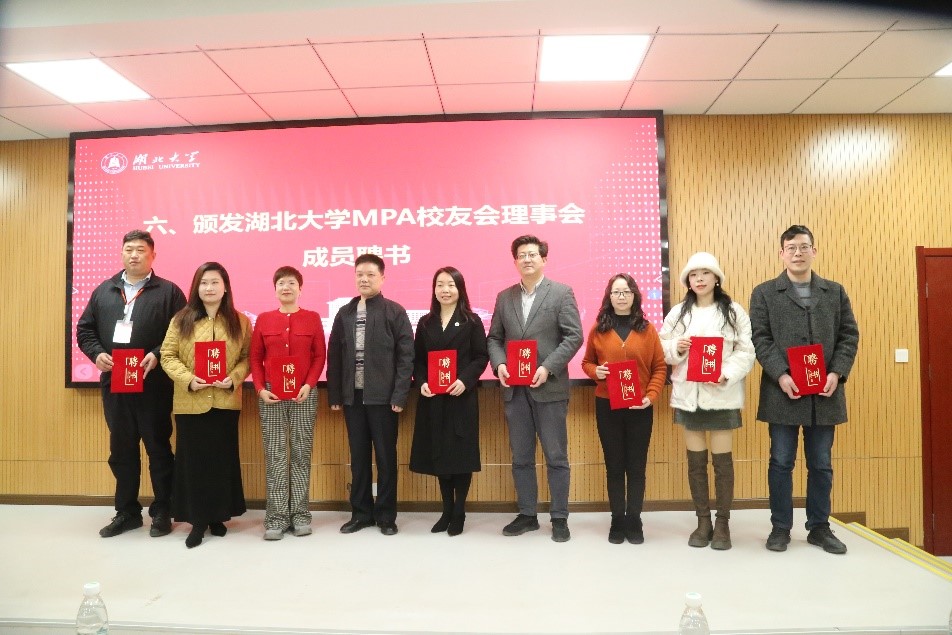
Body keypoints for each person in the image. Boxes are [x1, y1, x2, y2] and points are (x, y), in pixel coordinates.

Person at [749, 225, 859, 555]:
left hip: (824, 394)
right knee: (781, 462)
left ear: (814, 251)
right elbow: (760, 338)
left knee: (821, 464)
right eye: (791, 248)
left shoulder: (834, 292)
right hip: (782, 392)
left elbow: (849, 335)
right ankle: (780, 527)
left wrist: (837, 372)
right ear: (781, 253)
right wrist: (781, 374)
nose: (798, 253)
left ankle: (819, 527)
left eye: (804, 247)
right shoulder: (765, 293)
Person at [76, 229, 187, 539]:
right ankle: (127, 512)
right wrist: (96, 353)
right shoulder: (104, 290)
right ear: (122, 253)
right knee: (122, 449)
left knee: (158, 447)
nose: (134, 255)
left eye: (140, 250)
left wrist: (157, 353)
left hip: (154, 383)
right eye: (129, 249)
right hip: (115, 383)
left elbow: (182, 333)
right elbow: (85, 330)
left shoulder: (169, 292)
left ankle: (163, 509)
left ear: (153, 255)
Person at [487, 235, 584, 542]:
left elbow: (574, 336)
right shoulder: (504, 297)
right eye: (521, 255)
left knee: (556, 456)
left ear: (544, 259)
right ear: (515, 261)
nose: (527, 259)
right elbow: (494, 338)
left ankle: (559, 517)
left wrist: (547, 367)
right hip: (515, 391)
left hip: (549, 387)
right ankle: (528, 514)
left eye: (532, 254)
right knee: (521, 456)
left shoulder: (561, 293)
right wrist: (500, 365)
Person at [660, 252, 755, 551]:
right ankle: (703, 521)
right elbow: (661, 346)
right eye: (693, 274)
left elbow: (746, 351)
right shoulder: (678, 313)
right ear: (687, 280)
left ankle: (723, 523)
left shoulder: (733, 311)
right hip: (689, 397)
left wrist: (726, 374)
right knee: (696, 463)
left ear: (717, 278)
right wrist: (676, 347)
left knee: (722, 464)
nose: (699, 279)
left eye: (705, 273)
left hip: (722, 396)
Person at [160, 262, 251, 548]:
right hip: (191, 402)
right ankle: (198, 520)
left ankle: (217, 516)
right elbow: (167, 356)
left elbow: (247, 358)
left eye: (214, 282)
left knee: (221, 462)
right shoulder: (181, 319)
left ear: (225, 287)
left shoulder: (240, 321)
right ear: (196, 287)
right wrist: (188, 379)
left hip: (225, 401)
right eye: (204, 283)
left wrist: (233, 378)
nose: (209, 288)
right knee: (194, 463)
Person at [327, 253, 414, 536]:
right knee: (359, 458)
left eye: (370, 275)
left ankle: (386, 516)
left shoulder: (394, 311)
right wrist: (336, 395)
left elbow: (406, 356)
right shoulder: (345, 313)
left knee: (386, 459)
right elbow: (335, 354)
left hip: (384, 399)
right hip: (353, 398)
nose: (364, 279)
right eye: (359, 274)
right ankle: (361, 513)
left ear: (382, 278)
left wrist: (399, 395)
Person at [581, 274, 666, 545]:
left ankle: (635, 519)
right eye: (616, 292)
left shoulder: (647, 329)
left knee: (636, 467)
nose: (621, 296)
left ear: (634, 296)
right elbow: (586, 362)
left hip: (640, 407)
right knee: (614, 465)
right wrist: (597, 371)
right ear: (609, 296)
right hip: (607, 405)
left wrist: (651, 396)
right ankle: (617, 519)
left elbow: (659, 367)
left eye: (626, 292)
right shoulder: (599, 329)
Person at [409, 267, 489, 536]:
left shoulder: (472, 321)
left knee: (460, 456)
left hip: (460, 398)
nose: (445, 290)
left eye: (451, 285)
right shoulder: (425, 323)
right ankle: (446, 511)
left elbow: (481, 357)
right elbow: (418, 359)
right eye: (440, 285)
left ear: (460, 289)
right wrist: (421, 381)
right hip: (433, 399)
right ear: (434, 290)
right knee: (440, 455)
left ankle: (459, 512)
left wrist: (465, 380)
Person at [250, 266, 326, 540]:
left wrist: (309, 384)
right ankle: (276, 517)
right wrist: (260, 389)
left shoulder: (312, 318)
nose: (286, 287)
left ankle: (301, 514)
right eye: (281, 283)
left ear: (300, 289)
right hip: (271, 394)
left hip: (304, 392)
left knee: (301, 453)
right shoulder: (264, 319)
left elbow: (319, 356)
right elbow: (255, 358)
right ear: (275, 289)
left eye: (292, 283)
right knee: (276, 454)